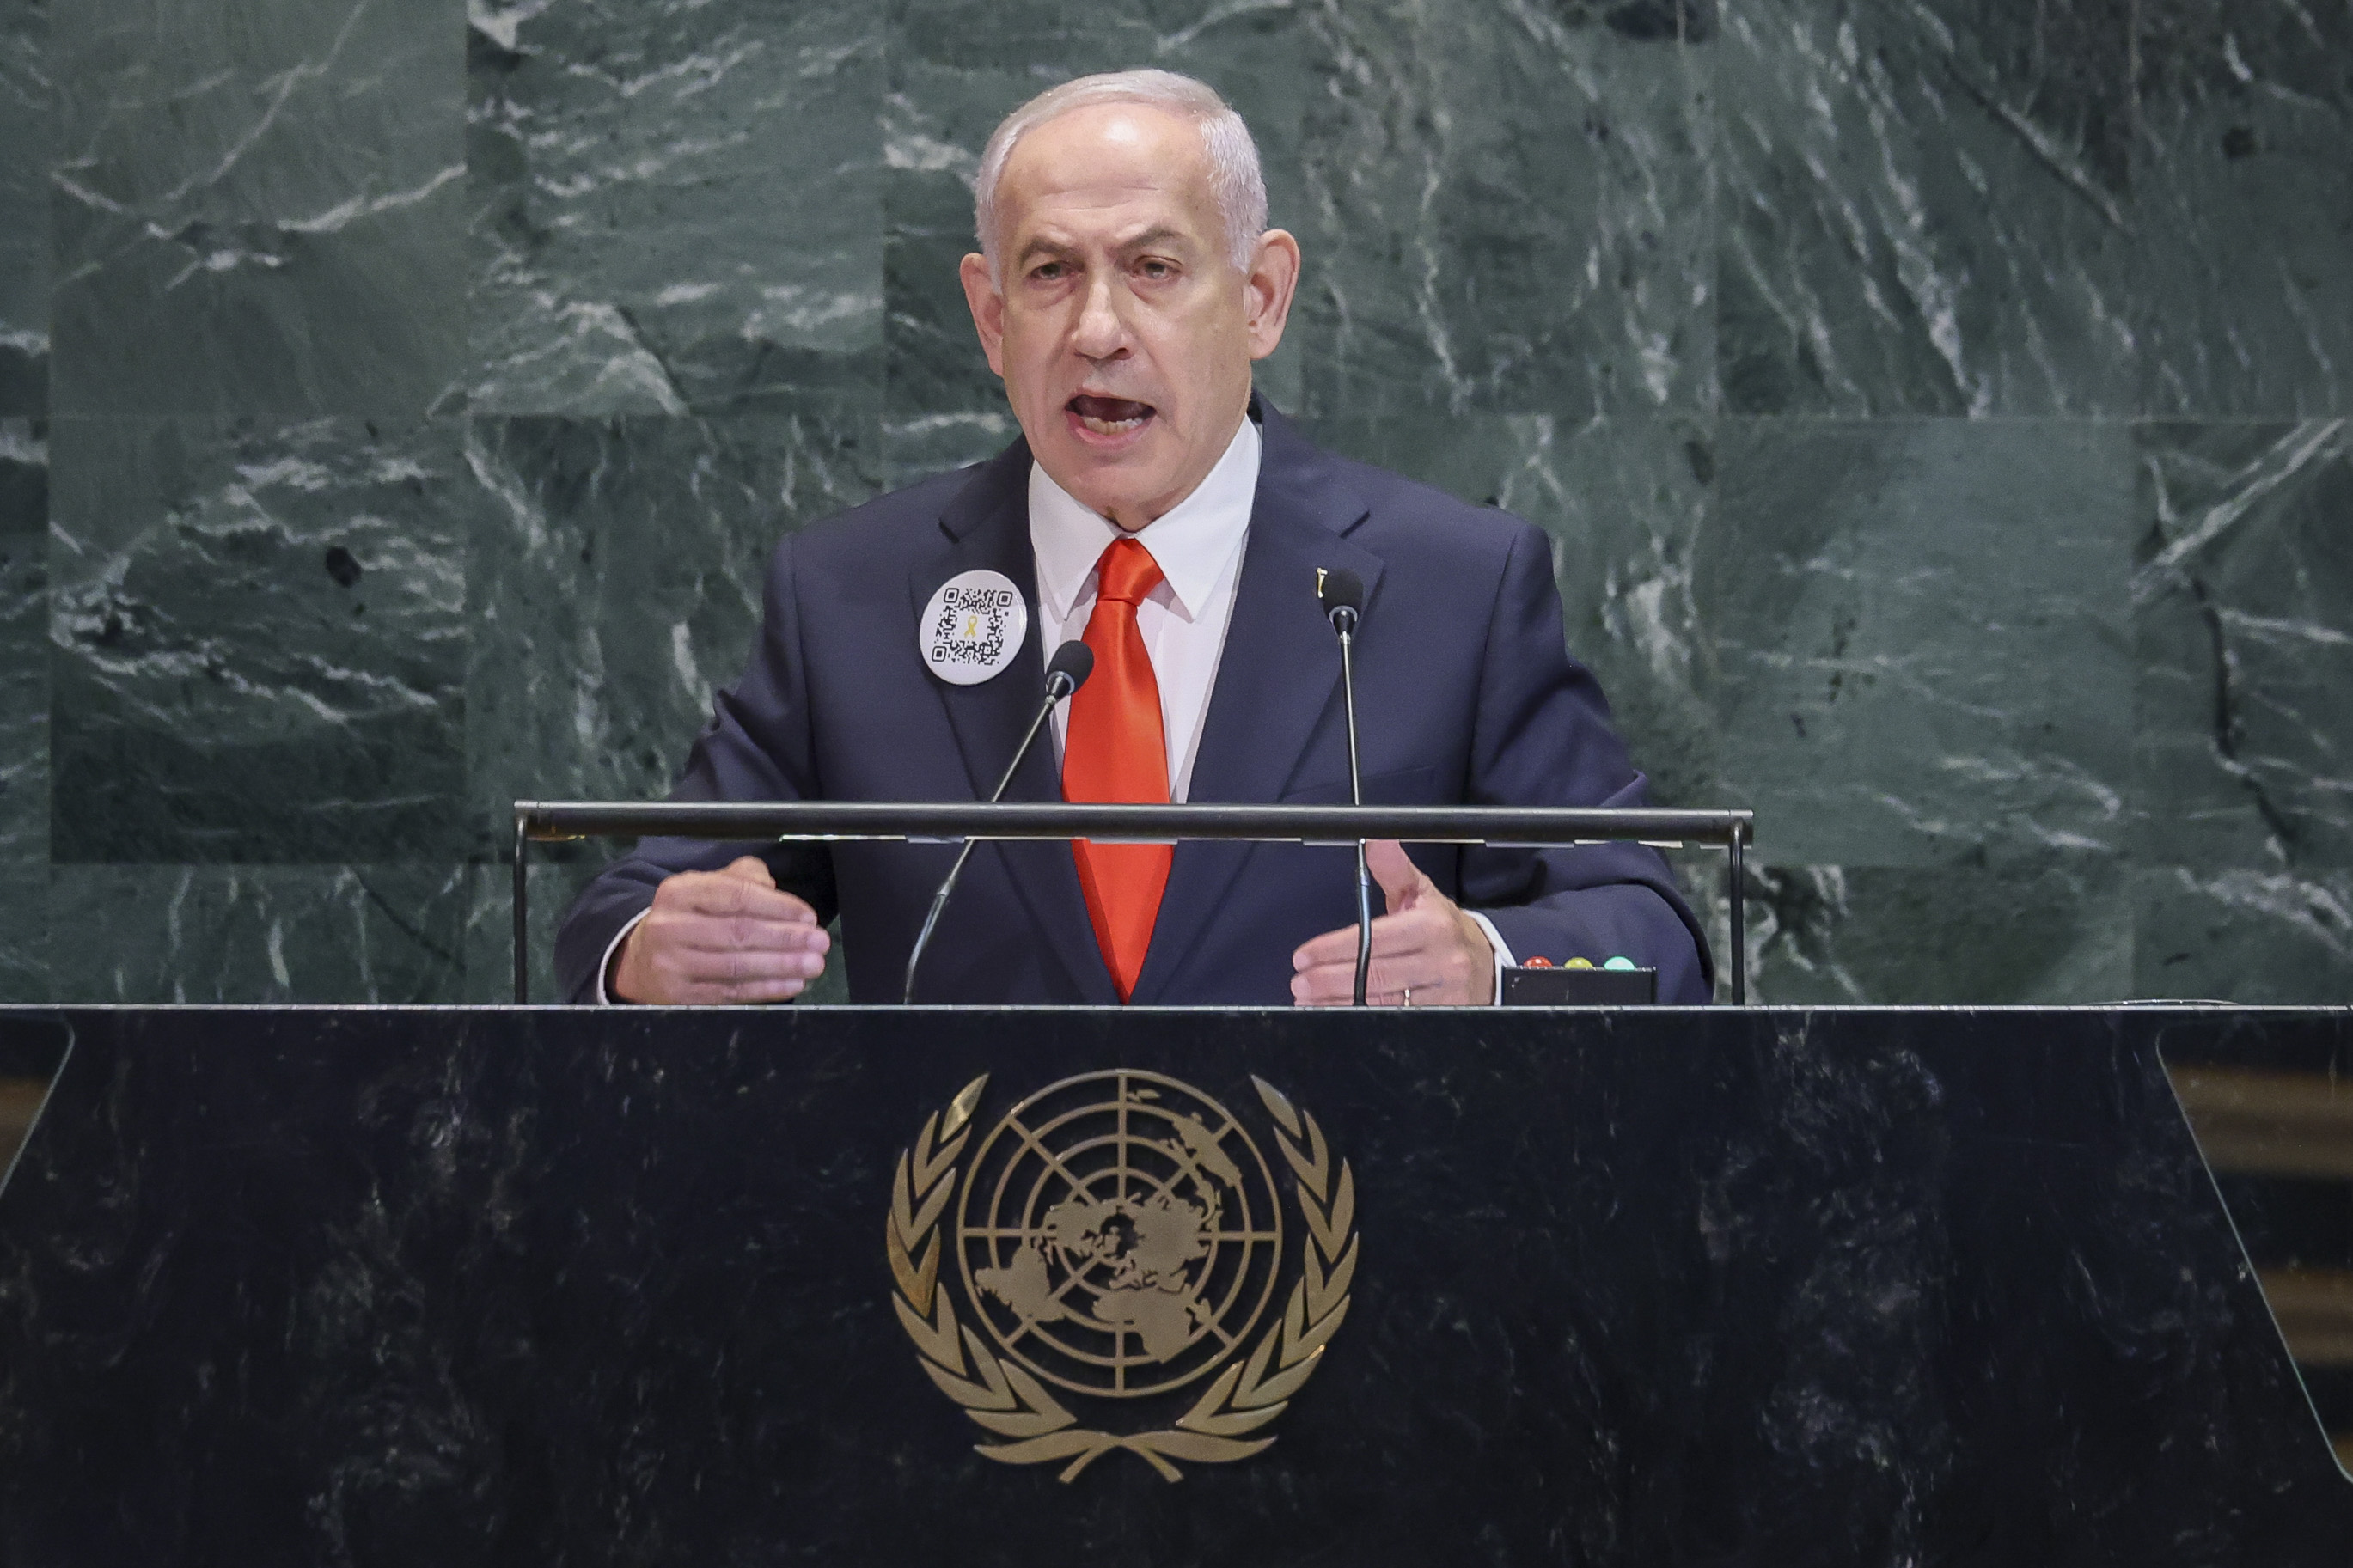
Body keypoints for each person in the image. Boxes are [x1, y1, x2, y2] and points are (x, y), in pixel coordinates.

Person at [555, 70, 1710, 1007]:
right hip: (966, 1256)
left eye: (1152, 269)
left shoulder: (1453, 588)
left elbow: (1645, 931)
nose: (1096, 329)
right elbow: (629, 910)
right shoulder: (853, 596)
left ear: (1259, 297)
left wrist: (1489, 967)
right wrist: (654, 953)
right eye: (1050, 274)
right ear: (991, 316)